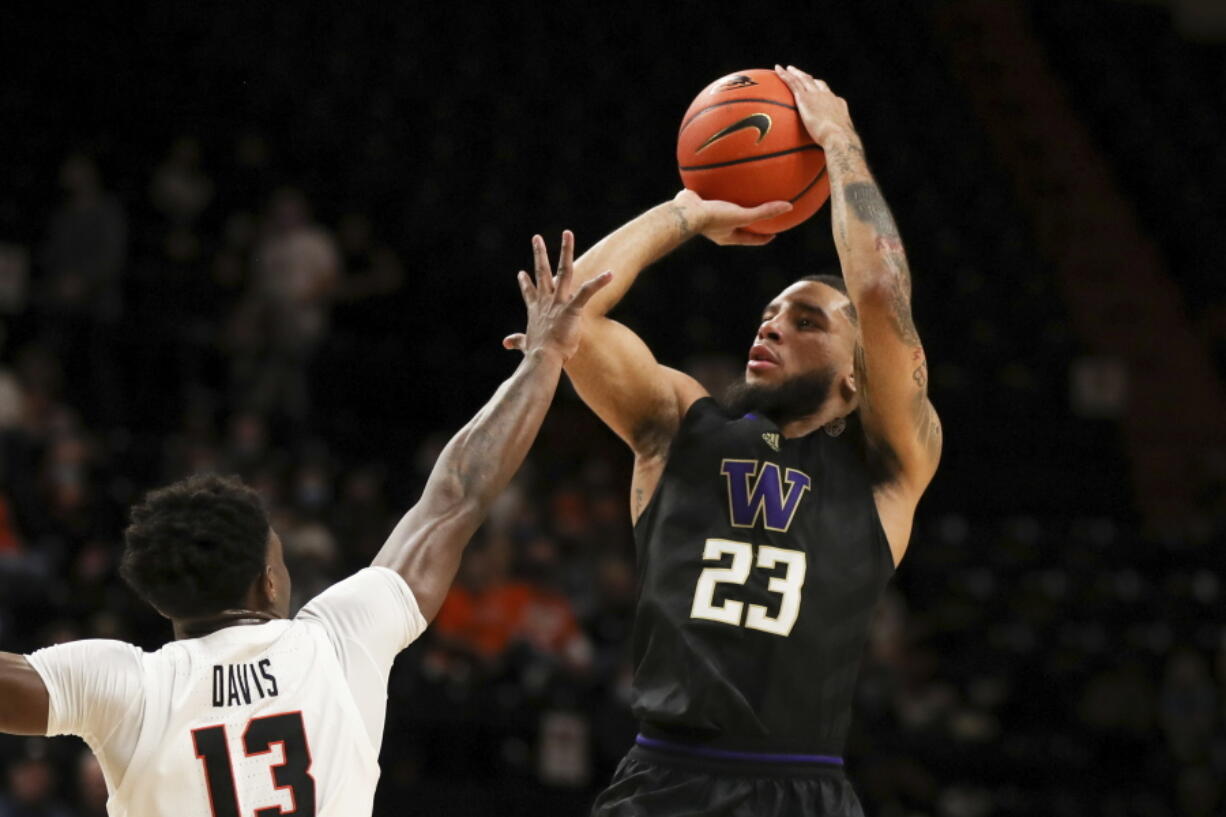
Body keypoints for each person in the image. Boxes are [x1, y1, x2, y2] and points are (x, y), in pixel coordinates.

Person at [0, 233, 611, 816]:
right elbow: (457, 494)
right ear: (266, 584)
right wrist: (544, 358)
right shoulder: (337, 642)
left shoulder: (131, 688)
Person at [551, 66, 942, 815]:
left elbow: (880, 292)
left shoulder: (886, 468)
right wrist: (685, 212)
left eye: (806, 321)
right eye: (768, 313)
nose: (772, 325)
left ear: (858, 377)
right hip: (665, 776)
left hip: (806, 787)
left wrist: (838, 141)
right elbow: (570, 315)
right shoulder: (682, 426)